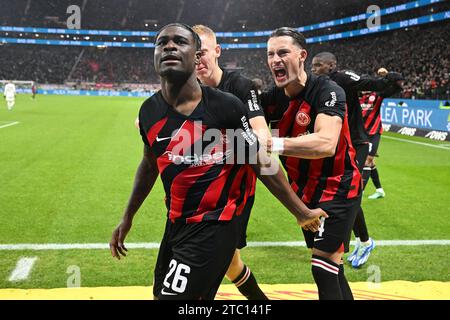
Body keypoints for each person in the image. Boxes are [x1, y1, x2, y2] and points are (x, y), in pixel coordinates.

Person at [110, 23, 327, 300]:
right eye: (161, 42)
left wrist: (301, 211)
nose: (169, 46)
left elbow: (261, 163)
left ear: (197, 56)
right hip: (175, 223)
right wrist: (127, 217)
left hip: (215, 225)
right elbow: (150, 164)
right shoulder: (149, 110)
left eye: (179, 41)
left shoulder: (226, 106)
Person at [263, 27, 362, 300]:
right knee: (333, 267)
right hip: (305, 196)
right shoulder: (271, 99)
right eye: (270, 54)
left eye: (283, 52)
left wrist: (273, 143)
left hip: (339, 188)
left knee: (322, 267)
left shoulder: (327, 90)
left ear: (302, 55)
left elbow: (326, 144)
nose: (275, 60)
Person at [192, 24, 269, 300]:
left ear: (217, 51)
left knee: (213, 258)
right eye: (192, 55)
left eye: (202, 53)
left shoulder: (239, 86)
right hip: (203, 189)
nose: (197, 60)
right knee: (229, 262)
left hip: (235, 191)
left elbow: (262, 135)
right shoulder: (191, 91)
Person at [311, 52, 402, 268]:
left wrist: (389, 75)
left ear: (332, 65)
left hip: (357, 143)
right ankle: (357, 241)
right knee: (339, 193)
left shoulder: (343, 78)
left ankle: (361, 241)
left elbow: (373, 83)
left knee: (349, 193)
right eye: (312, 65)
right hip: (338, 143)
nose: (313, 68)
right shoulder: (318, 84)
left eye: (317, 65)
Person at [360, 68, 404, 200]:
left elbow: (397, 87)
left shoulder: (377, 95)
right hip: (361, 134)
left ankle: (359, 193)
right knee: (371, 162)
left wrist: (387, 76)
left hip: (374, 132)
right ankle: (379, 190)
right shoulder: (355, 97)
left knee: (367, 161)